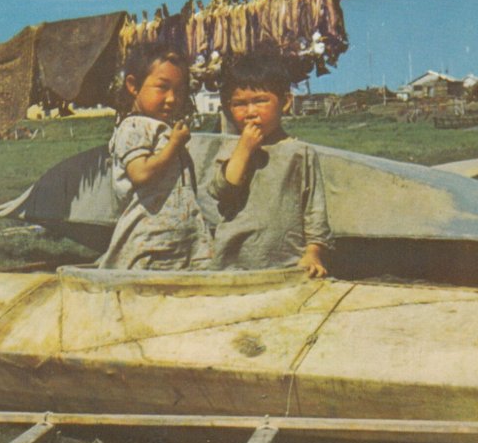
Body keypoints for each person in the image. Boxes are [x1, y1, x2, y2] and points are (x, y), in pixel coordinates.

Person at [208, 50, 333, 276]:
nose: (250, 112)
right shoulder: (230, 149)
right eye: (239, 104)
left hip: (287, 264)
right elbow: (223, 190)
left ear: (285, 102)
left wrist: (313, 253)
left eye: (260, 101)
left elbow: (315, 212)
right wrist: (244, 149)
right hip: (231, 265)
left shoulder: (300, 153)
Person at [99, 43, 212, 270]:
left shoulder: (161, 127)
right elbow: (140, 173)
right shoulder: (133, 127)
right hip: (149, 240)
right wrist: (174, 144)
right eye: (162, 88)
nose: (172, 98)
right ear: (133, 86)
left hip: (179, 237)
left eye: (179, 91)